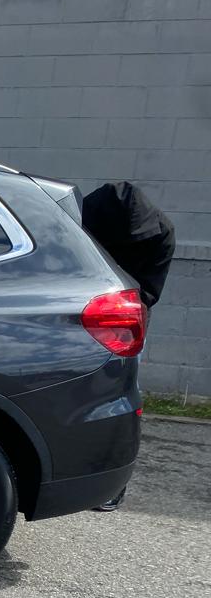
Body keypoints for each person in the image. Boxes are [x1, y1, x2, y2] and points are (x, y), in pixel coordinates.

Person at [80, 182, 176, 512]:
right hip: (79, 306)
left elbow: (149, 290)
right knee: (74, 398)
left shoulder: (161, 233)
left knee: (119, 399)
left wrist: (120, 313)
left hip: (123, 312)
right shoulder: (83, 221)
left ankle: (112, 485)